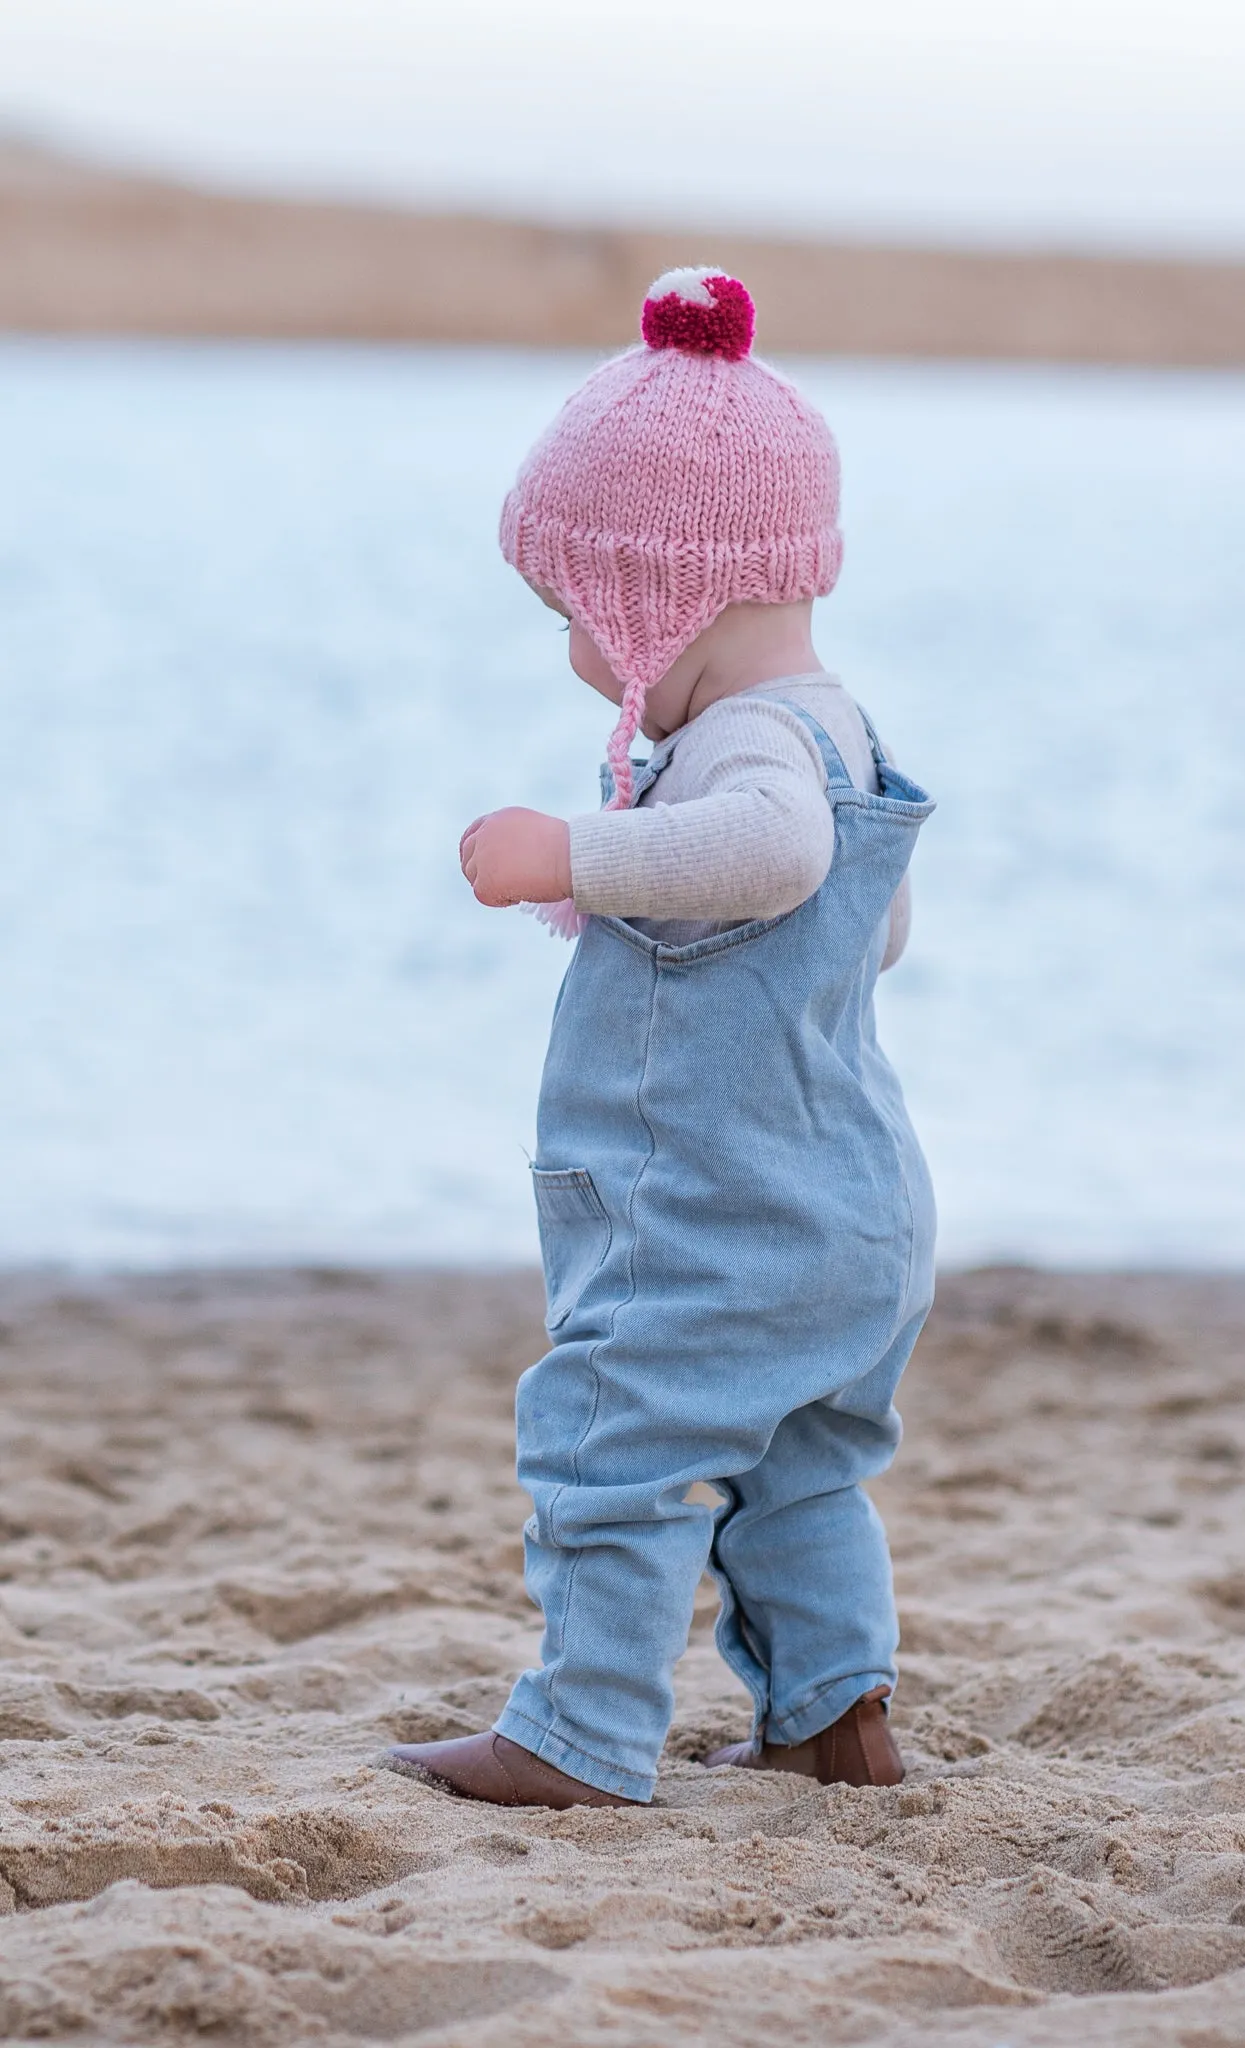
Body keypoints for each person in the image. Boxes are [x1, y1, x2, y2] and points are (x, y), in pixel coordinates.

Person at [388, 269, 935, 1809]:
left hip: (717, 1213)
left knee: (609, 1442)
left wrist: (572, 854)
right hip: (850, 1209)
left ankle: (580, 1732)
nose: (574, 648)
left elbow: (773, 857)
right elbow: (869, 929)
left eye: (577, 613)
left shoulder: (752, 748)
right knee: (797, 1467)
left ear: (662, 597)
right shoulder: (844, 726)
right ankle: (835, 1716)